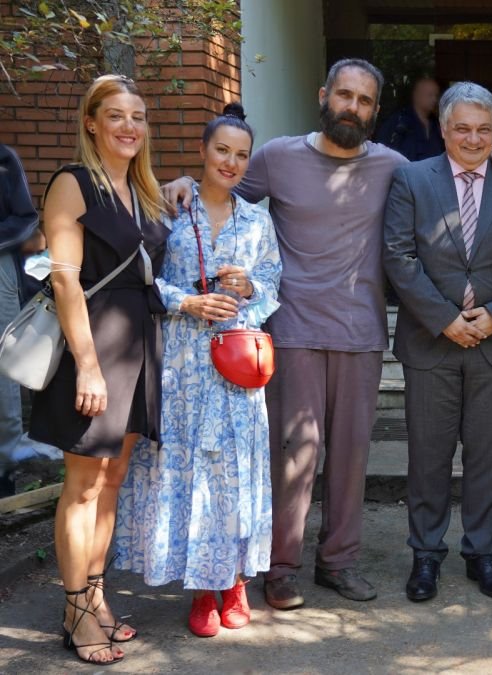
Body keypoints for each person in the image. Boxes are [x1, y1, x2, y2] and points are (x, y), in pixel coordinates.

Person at [162, 59, 492, 611]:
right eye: (345, 96)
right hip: (294, 330)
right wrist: (185, 181)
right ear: (323, 95)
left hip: (361, 333)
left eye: (365, 100)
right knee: (294, 456)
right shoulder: (277, 157)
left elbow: (451, 176)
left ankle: (338, 562)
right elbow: (223, 187)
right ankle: (281, 567)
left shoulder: (394, 167)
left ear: (375, 111)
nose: (353, 107)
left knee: (352, 458)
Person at [114, 104, 282, 637]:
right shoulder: (169, 209)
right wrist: (186, 302)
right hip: (182, 366)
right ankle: (201, 590)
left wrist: (249, 288)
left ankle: (235, 581)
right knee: (190, 475)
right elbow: (142, 277)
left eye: (241, 155)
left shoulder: (258, 220)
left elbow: (273, 286)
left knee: (235, 473)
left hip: (237, 368)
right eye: (221, 151)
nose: (230, 162)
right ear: (202, 152)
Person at [383, 81, 492, 603]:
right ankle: (426, 554)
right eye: (462, 128)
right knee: (428, 458)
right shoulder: (411, 179)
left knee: (487, 458)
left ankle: (482, 553)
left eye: (484, 130)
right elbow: (398, 256)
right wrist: (444, 318)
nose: (473, 139)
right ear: (444, 129)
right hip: (431, 343)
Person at [30, 74, 169, 666]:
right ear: (91, 123)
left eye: (137, 116)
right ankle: (76, 612)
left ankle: (95, 597)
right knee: (83, 485)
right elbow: (65, 280)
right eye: (116, 116)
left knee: (112, 481)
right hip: (92, 350)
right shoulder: (73, 182)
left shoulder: (143, 188)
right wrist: (87, 367)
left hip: (137, 350)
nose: (129, 127)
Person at [0, 145, 40, 494]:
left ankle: (4, 469)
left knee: (3, 370)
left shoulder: (4, 158)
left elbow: (25, 218)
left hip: (0, 265)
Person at [375, 76, 445, 161]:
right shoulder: (399, 123)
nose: (434, 99)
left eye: (436, 95)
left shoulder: (437, 125)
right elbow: (380, 155)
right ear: (417, 95)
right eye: (430, 95)